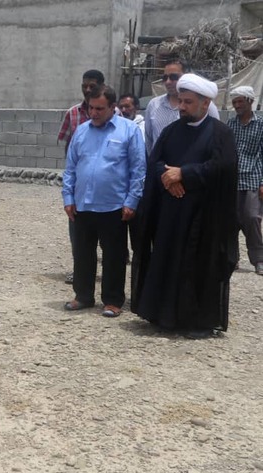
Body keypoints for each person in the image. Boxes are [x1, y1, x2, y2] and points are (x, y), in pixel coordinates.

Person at [132, 74, 238, 338]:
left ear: (205, 103)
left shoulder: (220, 133)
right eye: (181, 101)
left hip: (204, 218)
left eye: (188, 102)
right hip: (171, 215)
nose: (181, 107)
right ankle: (162, 315)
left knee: (199, 267)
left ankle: (198, 322)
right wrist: (168, 178)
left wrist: (185, 174)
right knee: (166, 261)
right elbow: (156, 161)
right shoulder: (171, 131)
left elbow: (222, 168)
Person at [62, 85, 145, 317]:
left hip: (114, 206)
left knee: (114, 255)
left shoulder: (129, 131)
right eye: (91, 108)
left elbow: (138, 170)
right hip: (83, 205)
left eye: (100, 108)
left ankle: (112, 300)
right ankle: (83, 295)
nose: (94, 113)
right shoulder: (81, 131)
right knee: (83, 253)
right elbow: (71, 168)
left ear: (112, 107)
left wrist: (132, 201)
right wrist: (68, 197)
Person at [58, 69, 106, 284]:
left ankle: (109, 271)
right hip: (80, 184)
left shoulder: (114, 114)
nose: (87, 89)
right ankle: (81, 270)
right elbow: (68, 148)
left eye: (92, 85)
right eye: (84, 85)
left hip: (107, 186)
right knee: (77, 230)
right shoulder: (73, 113)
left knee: (107, 230)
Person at [144, 58, 220, 155]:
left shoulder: (206, 106)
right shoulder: (153, 105)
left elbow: (215, 136)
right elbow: (149, 140)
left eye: (173, 77)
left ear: (186, 77)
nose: (168, 82)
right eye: (165, 78)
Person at [227, 85, 263, 275]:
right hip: (232, 178)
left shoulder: (261, 124)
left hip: (253, 177)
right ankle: (232, 259)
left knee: (251, 217)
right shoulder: (230, 125)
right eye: (234, 102)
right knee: (230, 219)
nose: (237, 105)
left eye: (240, 101)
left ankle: (259, 259)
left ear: (250, 101)